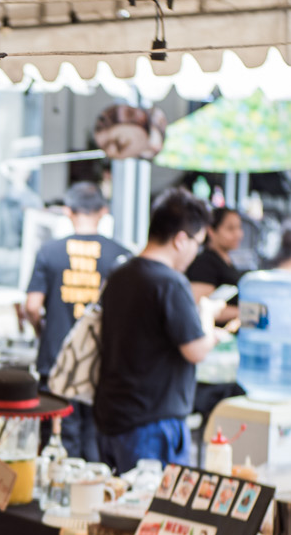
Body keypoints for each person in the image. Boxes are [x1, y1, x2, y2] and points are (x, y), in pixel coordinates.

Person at [92, 189, 214, 472]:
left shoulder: (120, 274)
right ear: (181, 239)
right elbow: (195, 350)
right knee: (153, 513)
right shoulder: (170, 282)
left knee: (117, 509)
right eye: (198, 243)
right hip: (152, 424)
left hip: (112, 416)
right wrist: (208, 318)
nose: (197, 252)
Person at [25, 181, 131, 460]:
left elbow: (32, 306)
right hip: (102, 365)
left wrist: (42, 332)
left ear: (68, 211)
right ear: (103, 211)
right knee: (97, 446)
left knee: (59, 447)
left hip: (57, 363)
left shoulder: (49, 251)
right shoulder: (121, 255)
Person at [186, 206, 248, 324]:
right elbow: (198, 307)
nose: (238, 234)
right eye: (230, 229)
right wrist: (244, 313)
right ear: (211, 231)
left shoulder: (226, 260)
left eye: (239, 228)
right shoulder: (204, 264)